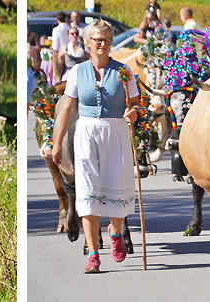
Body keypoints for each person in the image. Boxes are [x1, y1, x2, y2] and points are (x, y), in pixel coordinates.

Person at [52, 20, 141, 274]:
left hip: (117, 133)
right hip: (87, 133)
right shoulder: (77, 72)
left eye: (107, 40)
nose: (103, 44)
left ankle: (115, 233)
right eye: (98, 40)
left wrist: (134, 112)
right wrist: (57, 143)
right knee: (88, 193)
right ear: (88, 43)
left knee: (117, 189)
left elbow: (136, 103)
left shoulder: (124, 72)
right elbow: (69, 108)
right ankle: (93, 254)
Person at [51, 11, 71, 81]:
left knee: (58, 74)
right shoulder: (70, 28)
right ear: (65, 18)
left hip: (59, 52)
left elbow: (55, 46)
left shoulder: (56, 29)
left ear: (57, 19)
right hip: (69, 52)